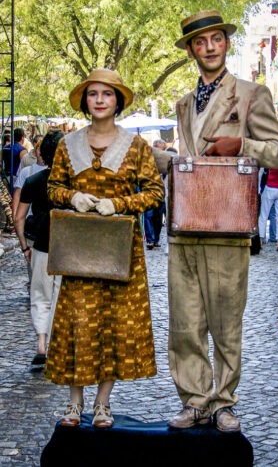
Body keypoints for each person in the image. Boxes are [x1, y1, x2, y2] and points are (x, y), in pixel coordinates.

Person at [168, 9, 278, 432]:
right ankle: (194, 399)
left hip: (227, 222)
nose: (209, 48)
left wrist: (241, 144)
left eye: (215, 39)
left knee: (225, 321)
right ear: (190, 51)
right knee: (184, 321)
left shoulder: (252, 93)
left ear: (226, 43)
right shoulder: (183, 104)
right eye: (199, 43)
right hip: (185, 224)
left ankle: (223, 402)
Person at [44, 69, 164, 428]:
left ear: (117, 101)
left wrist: (122, 203)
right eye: (93, 94)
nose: (99, 99)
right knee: (79, 323)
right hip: (80, 249)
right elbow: (52, 188)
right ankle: (74, 402)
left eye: (107, 94)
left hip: (122, 250)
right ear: (85, 101)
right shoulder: (67, 145)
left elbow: (156, 192)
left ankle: (103, 403)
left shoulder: (138, 146)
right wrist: (72, 196)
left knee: (115, 323)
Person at [14, 131, 64, 365]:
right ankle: (58, 343)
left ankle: (42, 345)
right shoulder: (74, 182)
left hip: (41, 244)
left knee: (40, 296)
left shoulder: (33, 181)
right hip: (69, 248)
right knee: (60, 296)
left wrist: (25, 247)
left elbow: (18, 217)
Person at [144, 138, 166, 249]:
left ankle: (156, 239)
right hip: (148, 191)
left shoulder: (165, 162)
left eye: (162, 150)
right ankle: (150, 240)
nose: (160, 154)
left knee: (158, 217)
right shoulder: (146, 160)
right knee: (148, 215)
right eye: (158, 150)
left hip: (161, 193)